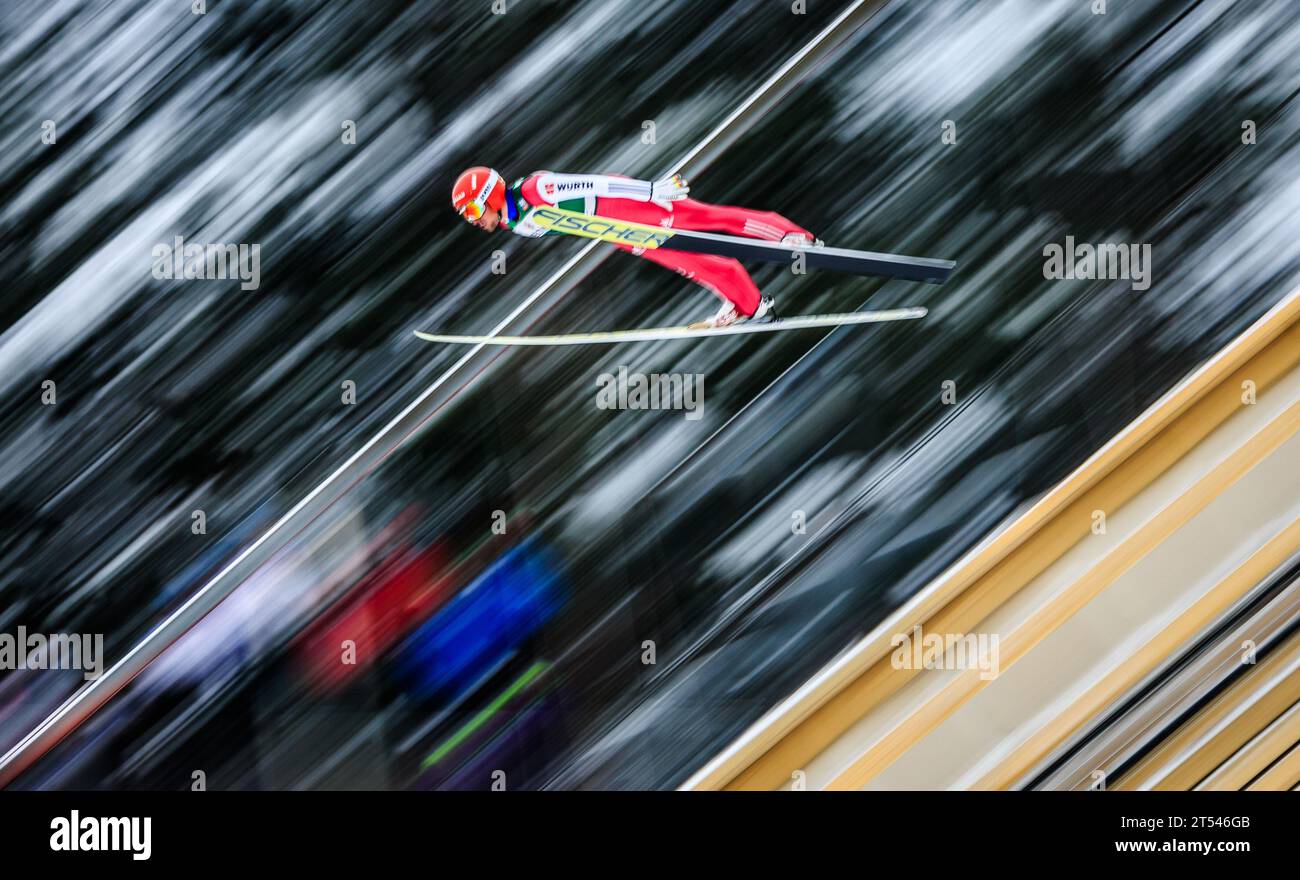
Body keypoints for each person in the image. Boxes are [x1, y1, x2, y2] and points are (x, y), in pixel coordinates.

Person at [451, 167, 820, 328]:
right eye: (468, 217)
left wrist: (651, 191)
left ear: (489, 195)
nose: (474, 220)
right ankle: (750, 304)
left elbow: (595, 185)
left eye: (472, 211)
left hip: (627, 205)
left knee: (707, 218)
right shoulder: (515, 222)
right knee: (688, 264)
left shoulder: (535, 190)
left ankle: (787, 235)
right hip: (618, 231)